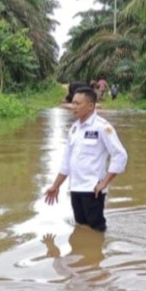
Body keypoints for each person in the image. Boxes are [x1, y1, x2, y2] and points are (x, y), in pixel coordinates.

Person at [43, 87, 128, 232]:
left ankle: (97, 253)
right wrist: (56, 186)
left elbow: (120, 155)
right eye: (72, 103)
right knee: (81, 228)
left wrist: (104, 182)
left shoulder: (102, 127)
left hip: (93, 190)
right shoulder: (74, 129)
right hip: (75, 189)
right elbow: (66, 162)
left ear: (90, 106)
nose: (73, 107)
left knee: (97, 231)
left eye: (77, 104)